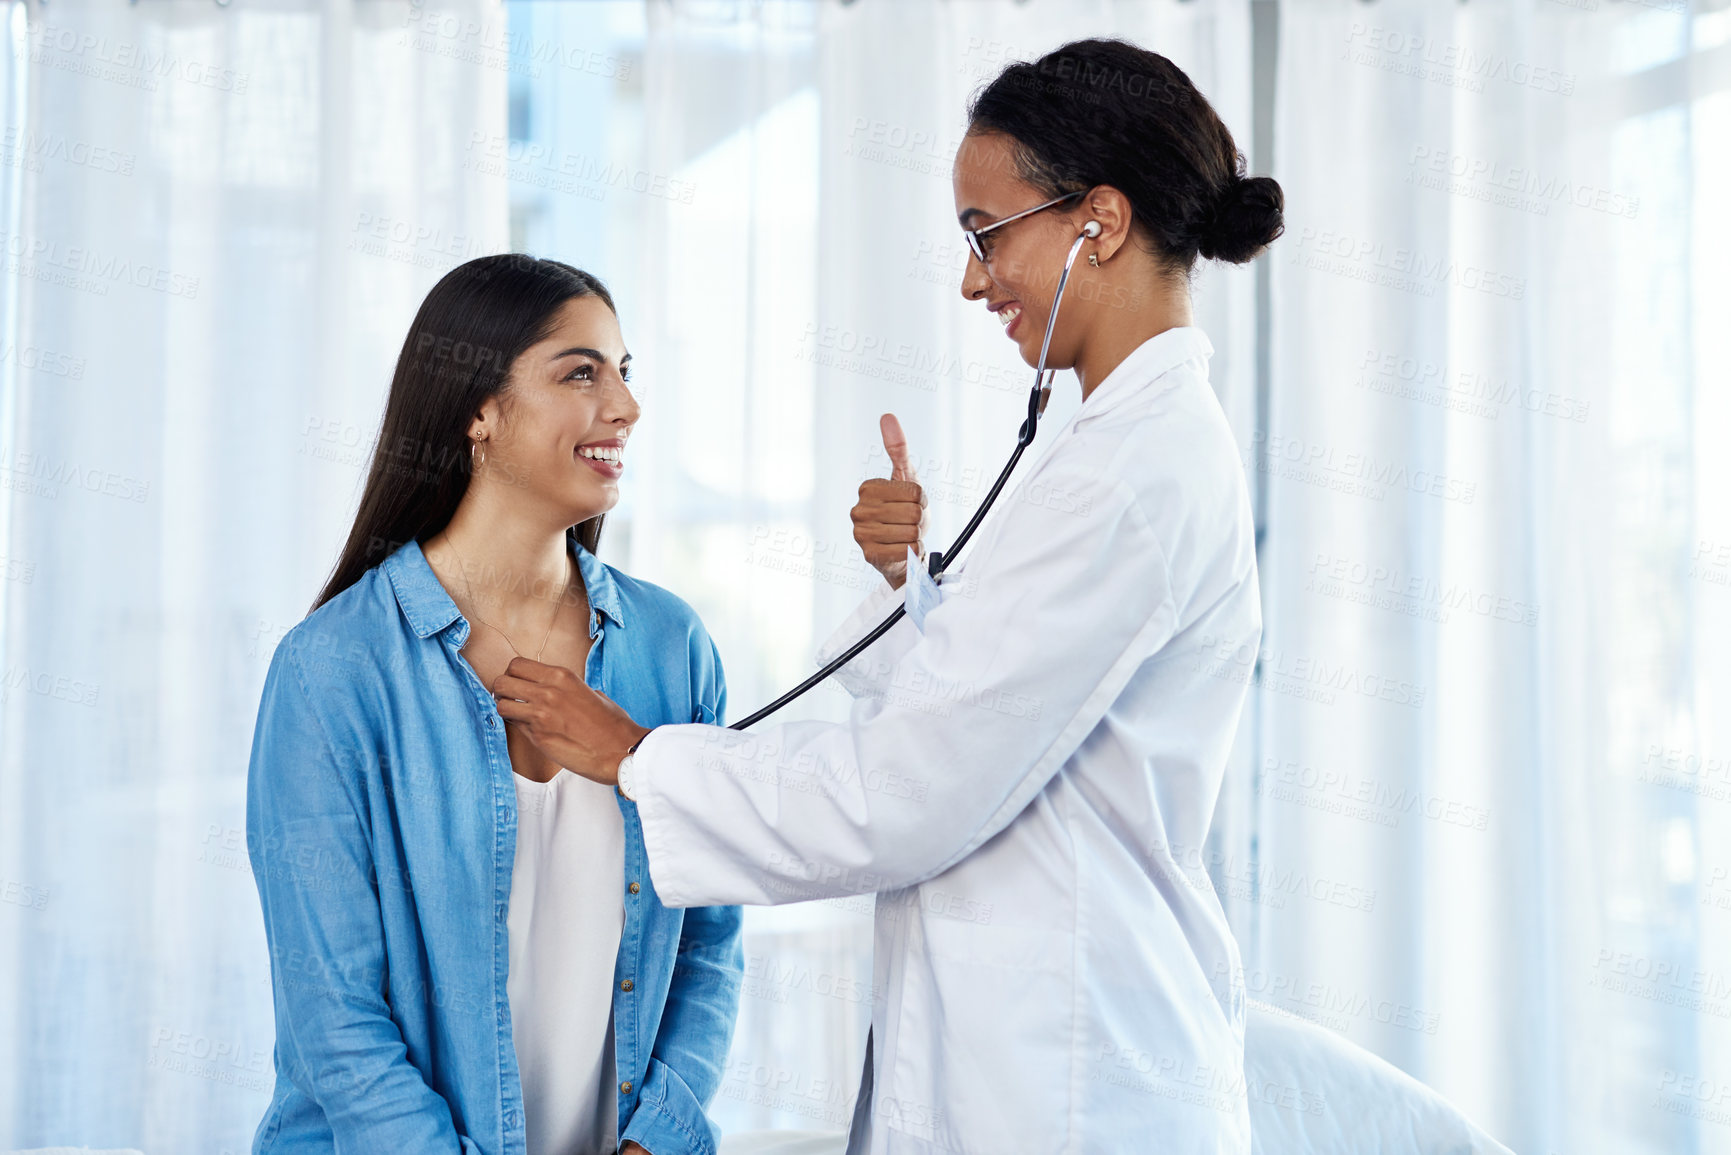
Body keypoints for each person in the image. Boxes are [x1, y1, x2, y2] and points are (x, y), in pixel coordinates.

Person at [490, 39, 1282, 1155]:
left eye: (985, 233)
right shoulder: (1106, 449)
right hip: (1033, 1057)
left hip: (1075, 1090)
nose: (973, 279)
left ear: (1096, 220)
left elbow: (912, 791)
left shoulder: (1131, 476)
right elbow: (988, 724)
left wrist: (638, 755)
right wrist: (908, 588)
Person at [245, 255, 742, 1155]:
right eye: (580, 372)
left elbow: (711, 940)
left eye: (625, 372)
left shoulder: (673, 648)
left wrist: (652, 1142)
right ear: (478, 409)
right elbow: (335, 1012)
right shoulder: (332, 672)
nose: (624, 406)